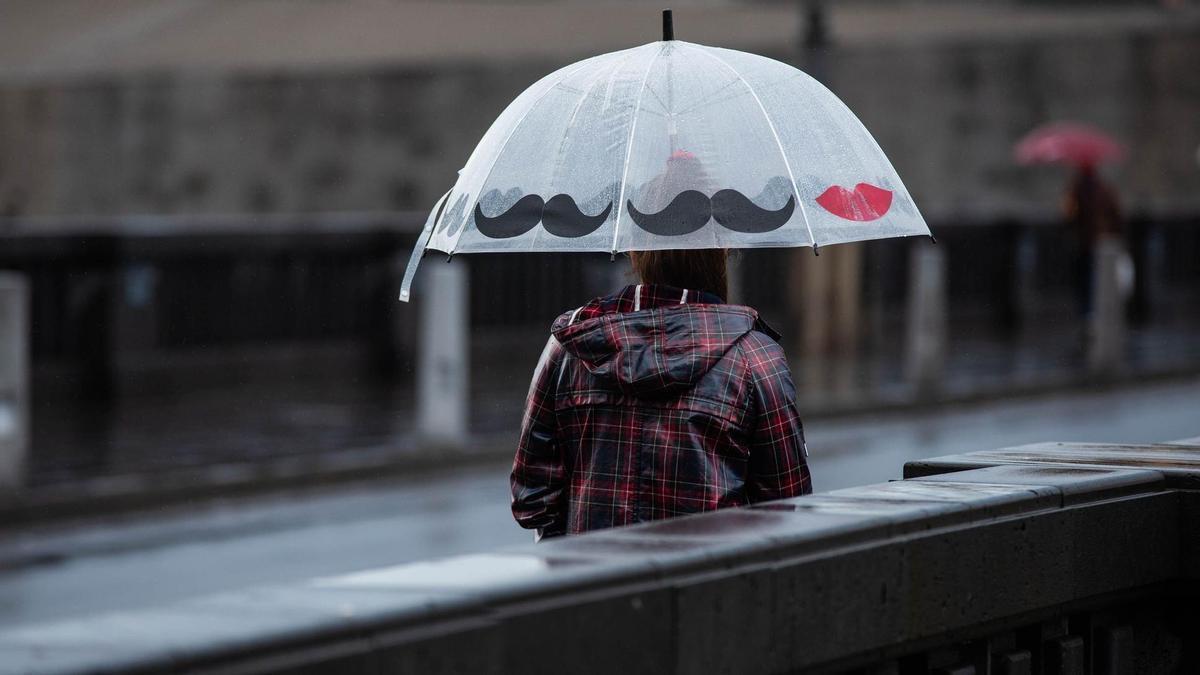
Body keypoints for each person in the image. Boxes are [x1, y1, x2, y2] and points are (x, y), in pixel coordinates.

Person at [510, 248, 811, 540]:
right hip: (712, 580)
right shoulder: (755, 357)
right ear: (722, 251)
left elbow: (532, 499)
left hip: (594, 582)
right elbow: (787, 503)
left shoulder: (570, 348)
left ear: (634, 250)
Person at [1064, 164, 1123, 319]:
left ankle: (1087, 311)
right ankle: (1094, 310)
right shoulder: (1105, 189)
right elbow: (1116, 214)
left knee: (1085, 278)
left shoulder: (1077, 189)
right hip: (1101, 240)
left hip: (1084, 241)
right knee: (1096, 277)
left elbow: (1069, 216)